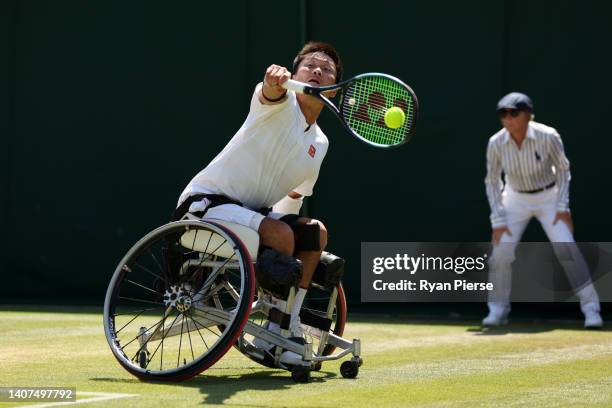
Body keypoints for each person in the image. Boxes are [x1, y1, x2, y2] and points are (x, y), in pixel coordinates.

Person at [173, 42, 342, 356]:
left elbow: (292, 200)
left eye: (327, 69)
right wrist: (271, 82)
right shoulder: (278, 102)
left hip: (250, 216)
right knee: (281, 232)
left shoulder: (320, 142)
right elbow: (269, 92)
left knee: (314, 231)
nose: (317, 70)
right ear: (294, 74)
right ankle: (280, 328)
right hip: (204, 207)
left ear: (333, 89)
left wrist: (291, 241)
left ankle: (284, 324)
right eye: (309, 65)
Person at [483, 92, 603, 328]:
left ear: (528, 114)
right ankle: (497, 311)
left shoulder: (548, 136)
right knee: (500, 255)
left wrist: (562, 207)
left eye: (514, 113)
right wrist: (497, 220)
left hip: (549, 197)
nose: (508, 119)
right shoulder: (495, 142)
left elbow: (563, 170)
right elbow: (492, 181)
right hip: (514, 199)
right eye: (503, 114)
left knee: (567, 249)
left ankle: (592, 311)